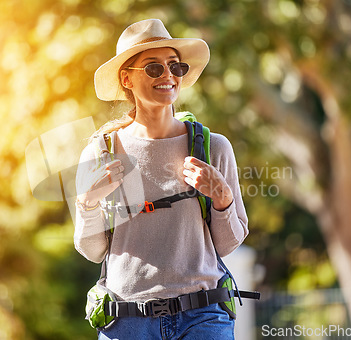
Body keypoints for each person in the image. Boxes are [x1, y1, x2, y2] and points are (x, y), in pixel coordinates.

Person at [74, 19, 248, 339]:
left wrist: (223, 198)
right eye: (153, 68)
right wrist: (88, 202)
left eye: (175, 66)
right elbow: (92, 250)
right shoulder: (100, 153)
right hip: (126, 321)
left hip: (203, 316)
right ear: (126, 78)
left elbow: (228, 244)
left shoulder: (214, 148)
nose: (168, 75)